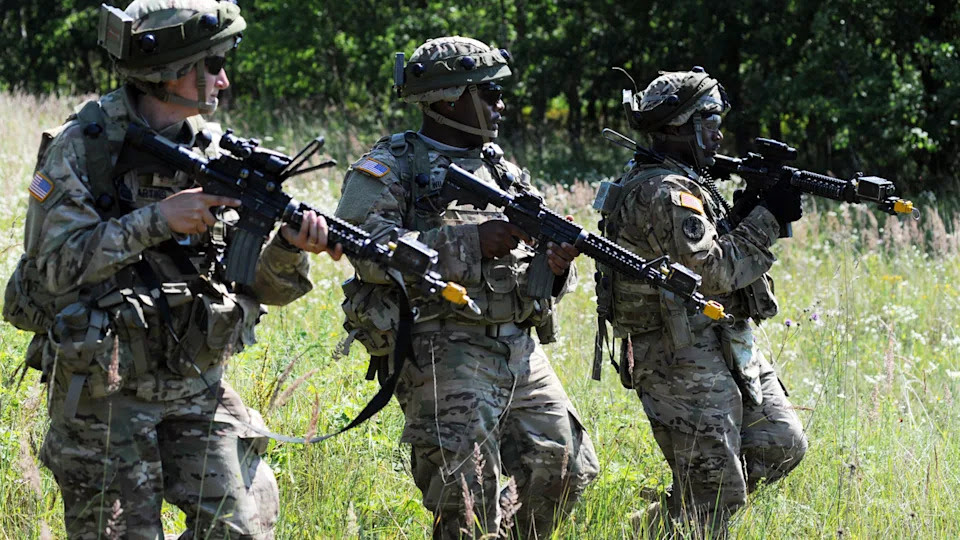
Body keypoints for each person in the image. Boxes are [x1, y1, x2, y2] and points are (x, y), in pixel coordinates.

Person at [4, 1, 339, 537]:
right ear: (168, 68)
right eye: (212, 64)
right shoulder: (84, 146)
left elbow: (250, 283)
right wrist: (157, 219)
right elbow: (54, 268)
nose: (223, 80)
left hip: (193, 384)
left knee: (241, 529)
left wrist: (288, 249)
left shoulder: (211, 148)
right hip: (103, 391)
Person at [334, 36, 598, 538]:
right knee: (466, 504)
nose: (502, 105)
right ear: (451, 97)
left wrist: (556, 267)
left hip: (516, 345)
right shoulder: (393, 166)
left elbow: (535, 277)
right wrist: (471, 243)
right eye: (491, 93)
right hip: (441, 346)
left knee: (564, 470)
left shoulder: (503, 170)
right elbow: (364, 248)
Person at [595, 68, 808, 537]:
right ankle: (685, 517)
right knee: (717, 493)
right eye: (708, 118)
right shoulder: (663, 191)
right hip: (674, 351)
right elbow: (712, 271)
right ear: (676, 127)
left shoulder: (690, 180)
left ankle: (672, 514)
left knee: (780, 442)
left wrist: (752, 202)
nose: (718, 130)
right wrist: (768, 217)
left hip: (722, 336)